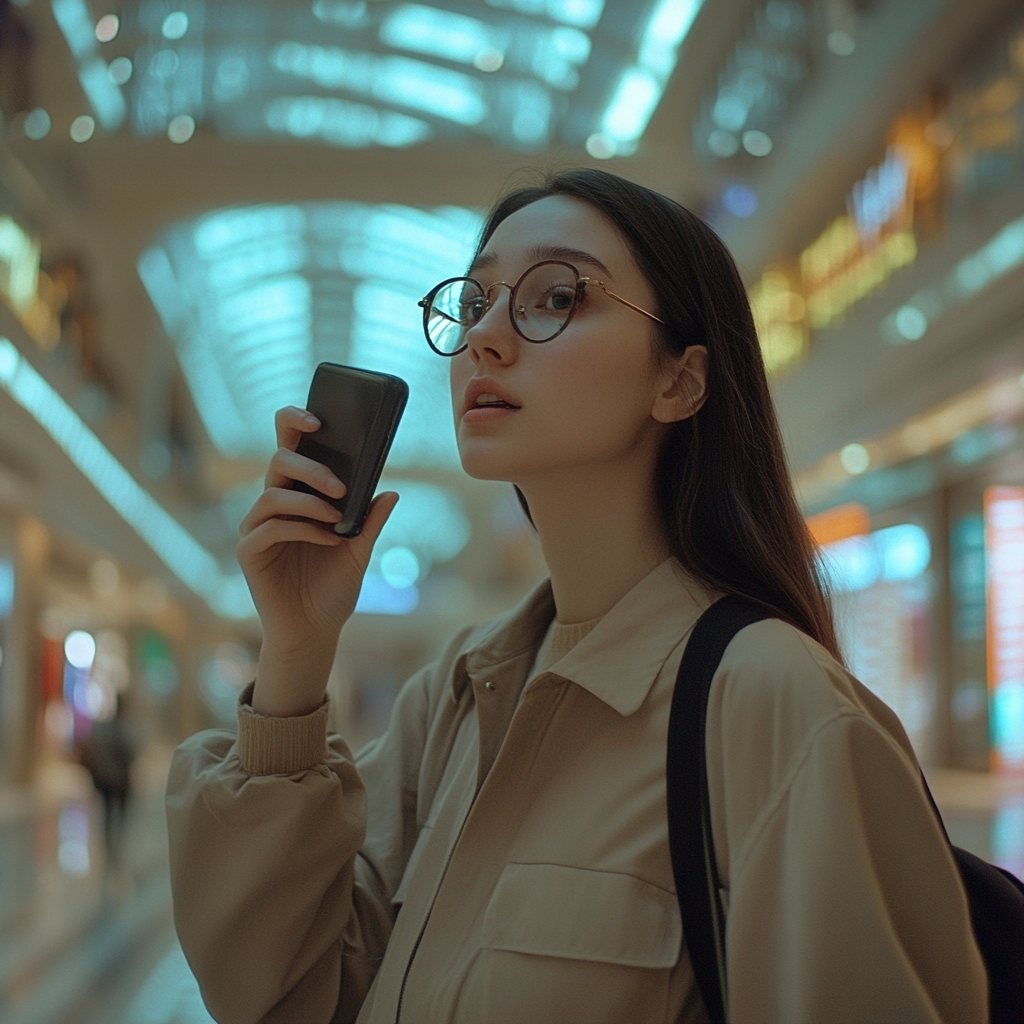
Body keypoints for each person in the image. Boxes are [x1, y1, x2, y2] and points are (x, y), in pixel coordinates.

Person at [166, 169, 986, 1024]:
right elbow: (282, 995)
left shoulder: (775, 710)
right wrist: (297, 652)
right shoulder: (457, 695)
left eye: (555, 297)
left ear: (680, 382)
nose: (485, 336)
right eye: (475, 302)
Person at [82, 693, 137, 865]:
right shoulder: (124, 729)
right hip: (117, 780)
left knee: (109, 814)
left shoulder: (105, 729)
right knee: (116, 814)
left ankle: (111, 846)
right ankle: (113, 846)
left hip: (108, 779)